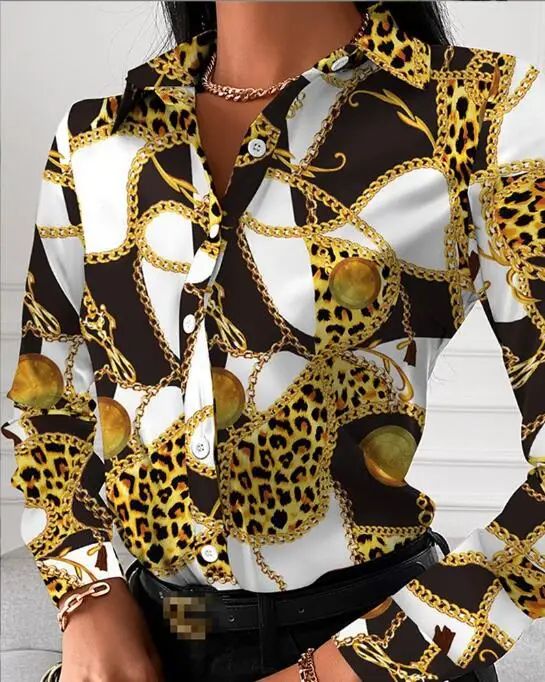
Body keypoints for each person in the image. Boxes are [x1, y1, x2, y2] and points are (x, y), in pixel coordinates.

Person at [2, 1, 544, 681]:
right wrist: (89, 597)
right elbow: (47, 407)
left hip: (372, 654)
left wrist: (356, 666)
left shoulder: (482, 114)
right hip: (156, 641)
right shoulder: (95, 141)